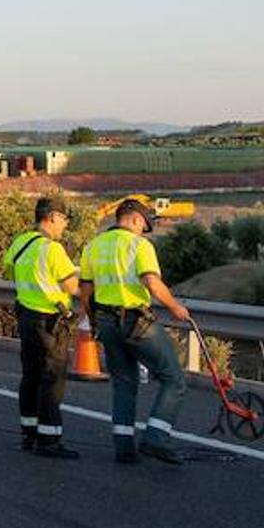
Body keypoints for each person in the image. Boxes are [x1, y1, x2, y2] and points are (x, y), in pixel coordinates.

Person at [78, 199, 190, 465]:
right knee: (173, 378)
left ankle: (124, 446)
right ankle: (156, 437)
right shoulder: (140, 246)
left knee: (124, 383)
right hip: (136, 322)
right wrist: (175, 307)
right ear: (137, 220)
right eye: (144, 225)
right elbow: (151, 281)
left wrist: (93, 320)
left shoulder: (93, 246)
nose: (143, 230)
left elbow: (85, 290)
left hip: (105, 322)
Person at [1, 197, 81, 459]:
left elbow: (9, 273)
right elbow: (72, 287)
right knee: (52, 379)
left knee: (31, 377)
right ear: (53, 217)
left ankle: (29, 434)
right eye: (65, 220)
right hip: (50, 321)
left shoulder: (20, 243)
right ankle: (49, 439)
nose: (65, 226)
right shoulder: (52, 249)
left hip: (26, 317)